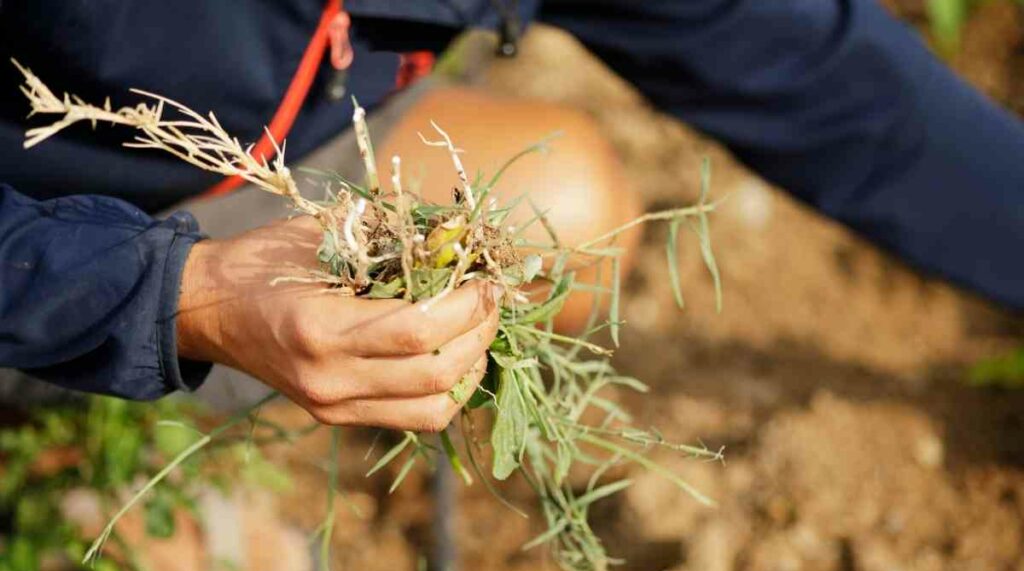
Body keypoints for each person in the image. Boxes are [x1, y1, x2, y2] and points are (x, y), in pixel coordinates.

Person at [1, 1, 1022, 432]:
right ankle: (82, 429)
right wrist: (175, 296)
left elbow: (831, 84)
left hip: (260, 163)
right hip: (42, 225)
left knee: (556, 214)